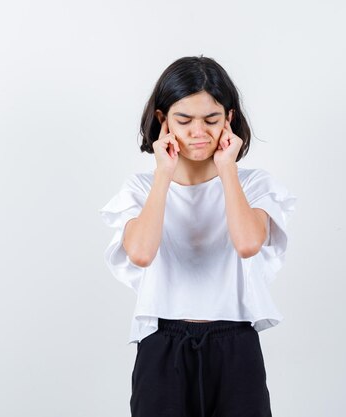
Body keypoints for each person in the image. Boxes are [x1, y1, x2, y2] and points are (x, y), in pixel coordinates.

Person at [98, 55, 297, 417]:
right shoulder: (140, 189)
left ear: (229, 120)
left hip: (235, 343)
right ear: (163, 121)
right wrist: (163, 174)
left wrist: (226, 170)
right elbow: (141, 253)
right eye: (184, 120)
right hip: (162, 343)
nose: (198, 131)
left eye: (211, 119)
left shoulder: (253, 184)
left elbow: (248, 243)